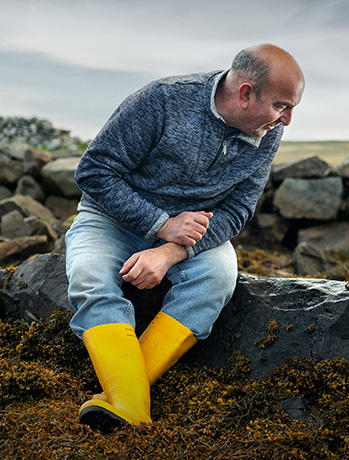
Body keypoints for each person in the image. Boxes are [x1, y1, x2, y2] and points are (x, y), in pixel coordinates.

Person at [65, 43, 305, 431]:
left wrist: (171, 251)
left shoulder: (267, 131)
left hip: (191, 236)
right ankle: (134, 406)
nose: (287, 120)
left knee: (219, 277)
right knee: (90, 275)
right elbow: (93, 172)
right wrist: (161, 224)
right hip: (109, 220)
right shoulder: (161, 101)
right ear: (245, 93)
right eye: (282, 106)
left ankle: (125, 396)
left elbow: (239, 211)